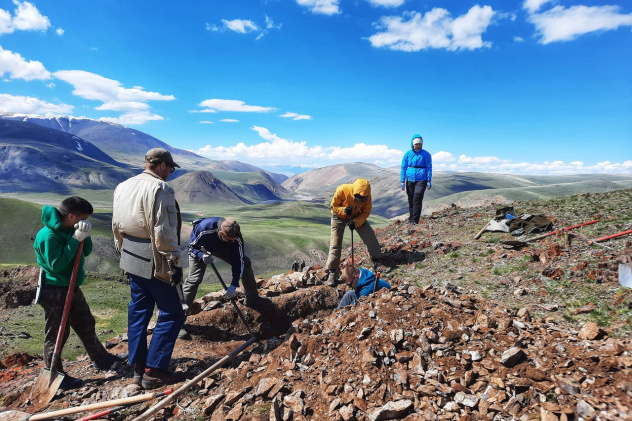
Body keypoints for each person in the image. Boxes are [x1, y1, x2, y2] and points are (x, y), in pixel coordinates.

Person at [112, 148, 185, 389]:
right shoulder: (160, 189)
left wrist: (123, 252)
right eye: (170, 169)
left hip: (131, 255)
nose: (170, 174)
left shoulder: (123, 186)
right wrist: (173, 260)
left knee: (139, 311)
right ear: (162, 165)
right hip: (154, 258)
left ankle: (138, 367)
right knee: (172, 312)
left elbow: (116, 225)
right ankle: (154, 370)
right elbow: (163, 230)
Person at [34, 196, 121, 390]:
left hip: (72, 287)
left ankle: (101, 358)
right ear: (71, 215)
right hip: (54, 289)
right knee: (57, 333)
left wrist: (84, 236)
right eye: (83, 218)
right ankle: (54, 373)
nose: (86, 222)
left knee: (85, 322)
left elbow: (86, 251)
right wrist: (74, 240)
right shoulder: (48, 236)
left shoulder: (72, 228)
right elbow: (57, 265)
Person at [180, 217, 271, 339]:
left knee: (246, 262)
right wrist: (201, 255)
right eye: (230, 240)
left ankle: (252, 298)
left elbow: (239, 262)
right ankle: (177, 322)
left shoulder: (235, 237)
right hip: (201, 248)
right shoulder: (204, 229)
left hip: (221, 248)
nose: (234, 241)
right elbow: (191, 248)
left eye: (235, 239)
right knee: (193, 280)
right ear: (221, 233)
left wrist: (234, 285)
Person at [324, 178, 384, 287]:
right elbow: (333, 206)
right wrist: (343, 210)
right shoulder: (342, 190)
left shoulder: (367, 197)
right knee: (335, 244)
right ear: (354, 192)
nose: (361, 200)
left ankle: (377, 260)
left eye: (363, 198)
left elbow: (365, 212)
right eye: (358, 197)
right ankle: (332, 272)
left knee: (369, 236)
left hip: (356, 216)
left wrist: (355, 223)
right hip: (338, 216)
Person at [400, 134, 432, 224]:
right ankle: (411, 218)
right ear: (412, 144)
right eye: (416, 144)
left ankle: (415, 220)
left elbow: (429, 167)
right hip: (410, 179)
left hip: (422, 179)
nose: (418, 145)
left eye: (420, 144)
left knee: (417, 198)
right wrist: (402, 181)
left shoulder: (426, 154)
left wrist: (429, 180)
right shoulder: (407, 154)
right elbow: (403, 167)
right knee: (411, 199)